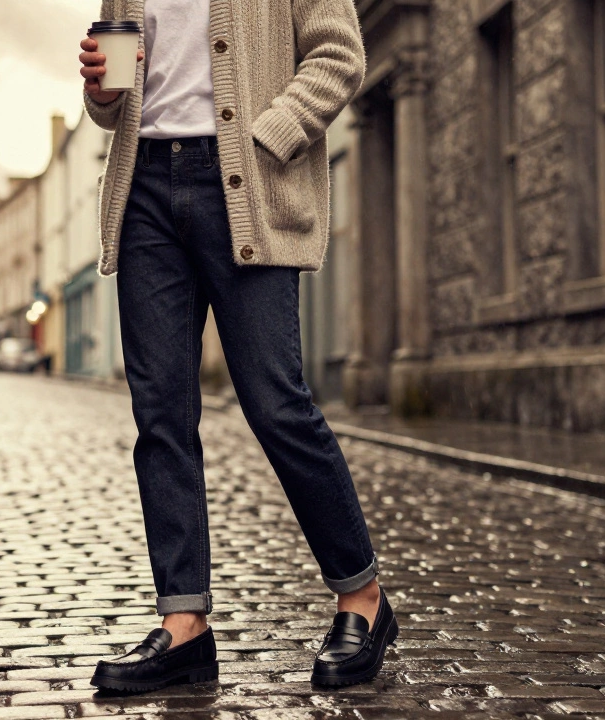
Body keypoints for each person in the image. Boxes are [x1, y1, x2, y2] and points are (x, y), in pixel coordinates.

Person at [78, 0, 397, 694]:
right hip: (144, 189)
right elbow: (116, 98)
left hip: (243, 179)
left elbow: (339, 54)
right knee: (161, 414)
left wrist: (269, 135)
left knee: (276, 403)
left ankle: (362, 597)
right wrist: (103, 93)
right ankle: (184, 624)